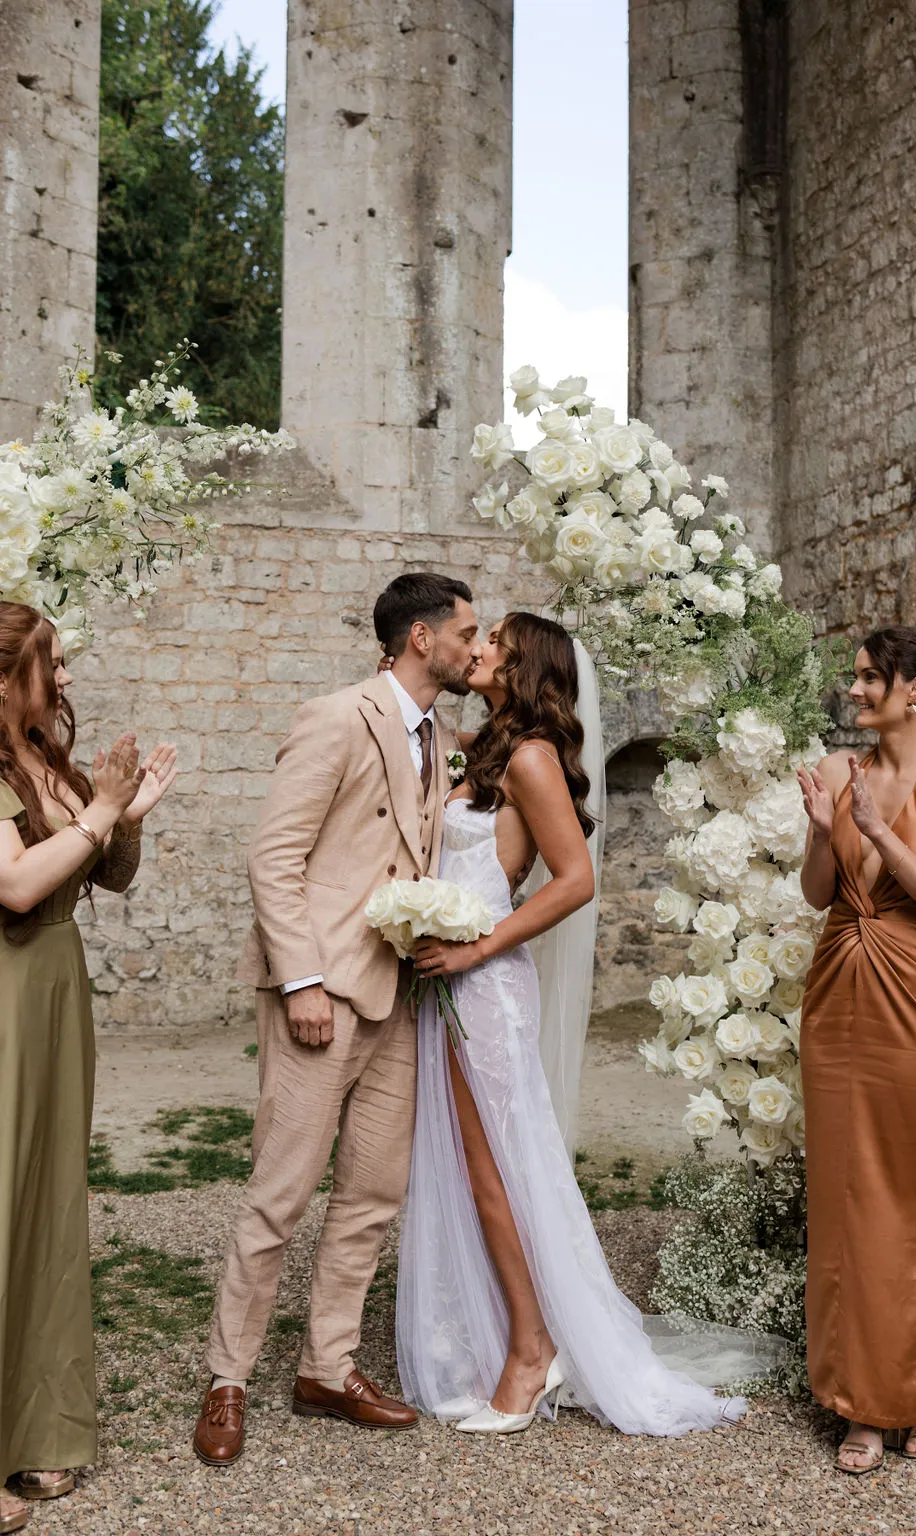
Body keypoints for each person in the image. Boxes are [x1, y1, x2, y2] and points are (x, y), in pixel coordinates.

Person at [395, 612, 744, 1436]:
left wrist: (478, 947)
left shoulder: (532, 757)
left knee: (499, 1172)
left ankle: (532, 1348)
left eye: (494, 644)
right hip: (449, 982)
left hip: (484, 984)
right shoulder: (482, 750)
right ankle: (502, 1333)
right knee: (477, 1169)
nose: (476, 648)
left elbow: (574, 879)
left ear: (525, 668)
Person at [192, 573, 480, 1466]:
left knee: (371, 1196)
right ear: (422, 638)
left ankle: (327, 1365)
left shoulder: (444, 736)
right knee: (281, 1191)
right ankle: (227, 1378)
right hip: (323, 991)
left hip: (401, 993)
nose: (479, 646)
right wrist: (302, 980)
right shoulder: (335, 716)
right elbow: (274, 857)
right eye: (468, 632)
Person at [0, 602, 176, 1534]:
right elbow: (18, 884)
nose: (64, 679)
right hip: (5, 996)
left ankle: (38, 1427)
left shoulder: (42, 757)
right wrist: (102, 809)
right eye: (50, 664)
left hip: (56, 990)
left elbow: (96, 875)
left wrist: (127, 816)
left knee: (46, 1210)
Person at [796, 626, 916, 1475]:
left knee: (913, 1199)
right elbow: (815, 894)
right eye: (856, 677)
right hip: (837, 1001)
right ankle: (862, 1402)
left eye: (872, 678)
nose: (856, 690)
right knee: (847, 1203)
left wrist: (879, 831)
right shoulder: (841, 772)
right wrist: (820, 830)